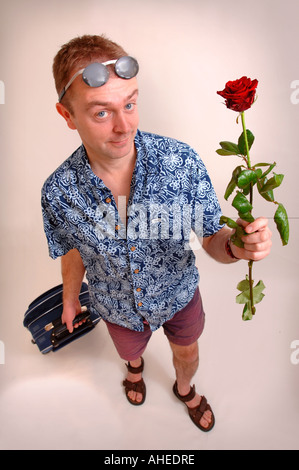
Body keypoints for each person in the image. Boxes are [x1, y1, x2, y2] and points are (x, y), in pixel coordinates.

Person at [41, 35, 272, 432]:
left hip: (180, 295)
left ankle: (186, 389)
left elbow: (212, 237)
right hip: (115, 306)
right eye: (101, 113)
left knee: (187, 353)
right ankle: (134, 370)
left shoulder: (180, 161)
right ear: (67, 114)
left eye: (130, 103)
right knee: (129, 353)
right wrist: (68, 297)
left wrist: (237, 245)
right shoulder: (58, 192)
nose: (124, 126)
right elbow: (73, 248)